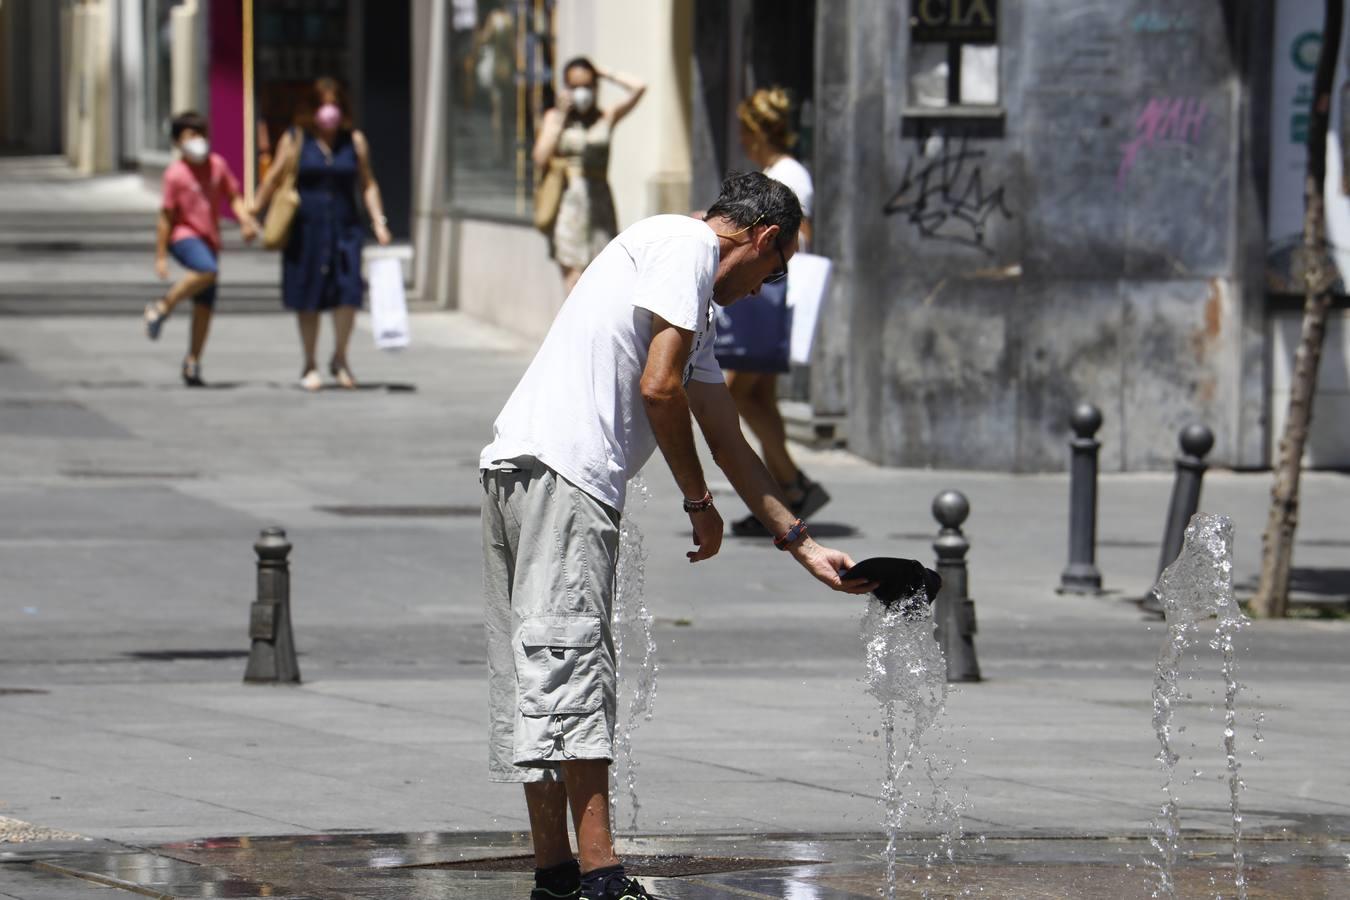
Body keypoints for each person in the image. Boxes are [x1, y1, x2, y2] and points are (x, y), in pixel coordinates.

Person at [479, 172, 875, 900]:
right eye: (773, 270)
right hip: (566, 479)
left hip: (520, 470)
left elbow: (728, 437)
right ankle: (599, 877)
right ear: (762, 237)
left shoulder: (678, 274)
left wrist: (805, 547)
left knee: (541, 675)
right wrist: (698, 502)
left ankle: (556, 875)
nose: (762, 289)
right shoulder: (686, 246)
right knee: (573, 670)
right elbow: (659, 389)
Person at [715, 87, 828, 537]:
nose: (741, 138)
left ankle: (790, 486)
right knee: (755, 396)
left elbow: (798, 236)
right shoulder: (781, 171)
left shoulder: (788, 175)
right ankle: (790, 487)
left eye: (744, 130)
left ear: (756, 131)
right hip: (768, 297)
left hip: (769, 298)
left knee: (735, 393)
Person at [252, 77, 392, 391]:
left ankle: (340, 357)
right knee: (308, 294)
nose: (330, 112)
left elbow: (367, 183)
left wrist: (379, 222)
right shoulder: (296, 139)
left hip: (345, 228)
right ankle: (310, 362)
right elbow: (274, 176)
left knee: (348, 293)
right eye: (323, 105)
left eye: (335, 105)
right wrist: (252, 213)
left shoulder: (353, 141)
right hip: (307, 229)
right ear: (312, 109)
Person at [144, 111, 259, 387]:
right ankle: (162, 307)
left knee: (205, 305)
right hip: (183, 236)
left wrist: (245, 221)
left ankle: (192, 361)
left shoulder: (217, 165)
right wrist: (160, 256)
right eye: (189, 136)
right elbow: (165, 218)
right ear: (177, 143)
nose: (197, 141)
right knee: (207, 270)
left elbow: (234, 196)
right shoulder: (175, 174)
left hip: (210, 239)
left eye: (200, 135)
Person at [532, 57, 646, 295]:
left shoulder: (605, 116)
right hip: (567, 205)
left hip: (600, 205)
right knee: (574, 282)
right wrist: (562, 115)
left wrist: (603, 71)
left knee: (605, 276)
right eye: (574, 86)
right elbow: (540, 157)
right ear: (566, 88)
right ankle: (573, 331)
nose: (581, 92)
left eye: (587, 85)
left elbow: (639, 87)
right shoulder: (556, 117)